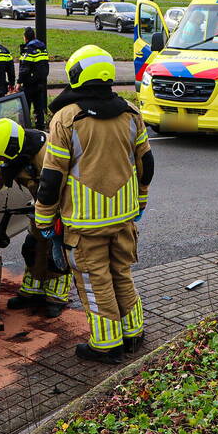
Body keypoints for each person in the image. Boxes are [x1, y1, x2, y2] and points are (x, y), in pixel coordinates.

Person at [35, 45, 154, 364]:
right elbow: (147, 163)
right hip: (124, 217)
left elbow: (50, 178)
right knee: (121, 273)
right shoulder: (131, 112)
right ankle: (133, 333)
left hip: (85, 224)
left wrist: (44, 220)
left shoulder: (66, 118)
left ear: (76, 75)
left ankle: (106, 344)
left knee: (94, 280)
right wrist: (140, 201)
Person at [0, 118, 71, 317]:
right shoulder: (13, 155)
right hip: (40, 207)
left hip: (61, 207)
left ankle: (56, 297)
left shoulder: (48, 152)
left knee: (56, 252)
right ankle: (32, 292)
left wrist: (58, 216)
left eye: (1, 157)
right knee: (33, 247)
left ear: (12, 148)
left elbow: (62, 185)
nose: (0, 161)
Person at [17, 27, 49, 129]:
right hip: (40, 82)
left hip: (29, 83)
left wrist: (19, 82)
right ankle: (40, 128)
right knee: (38, 108)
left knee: (24, 107)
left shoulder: (28, 49)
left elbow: (25, 68)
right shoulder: (43, 48)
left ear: (25, 38)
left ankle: (25, 128)